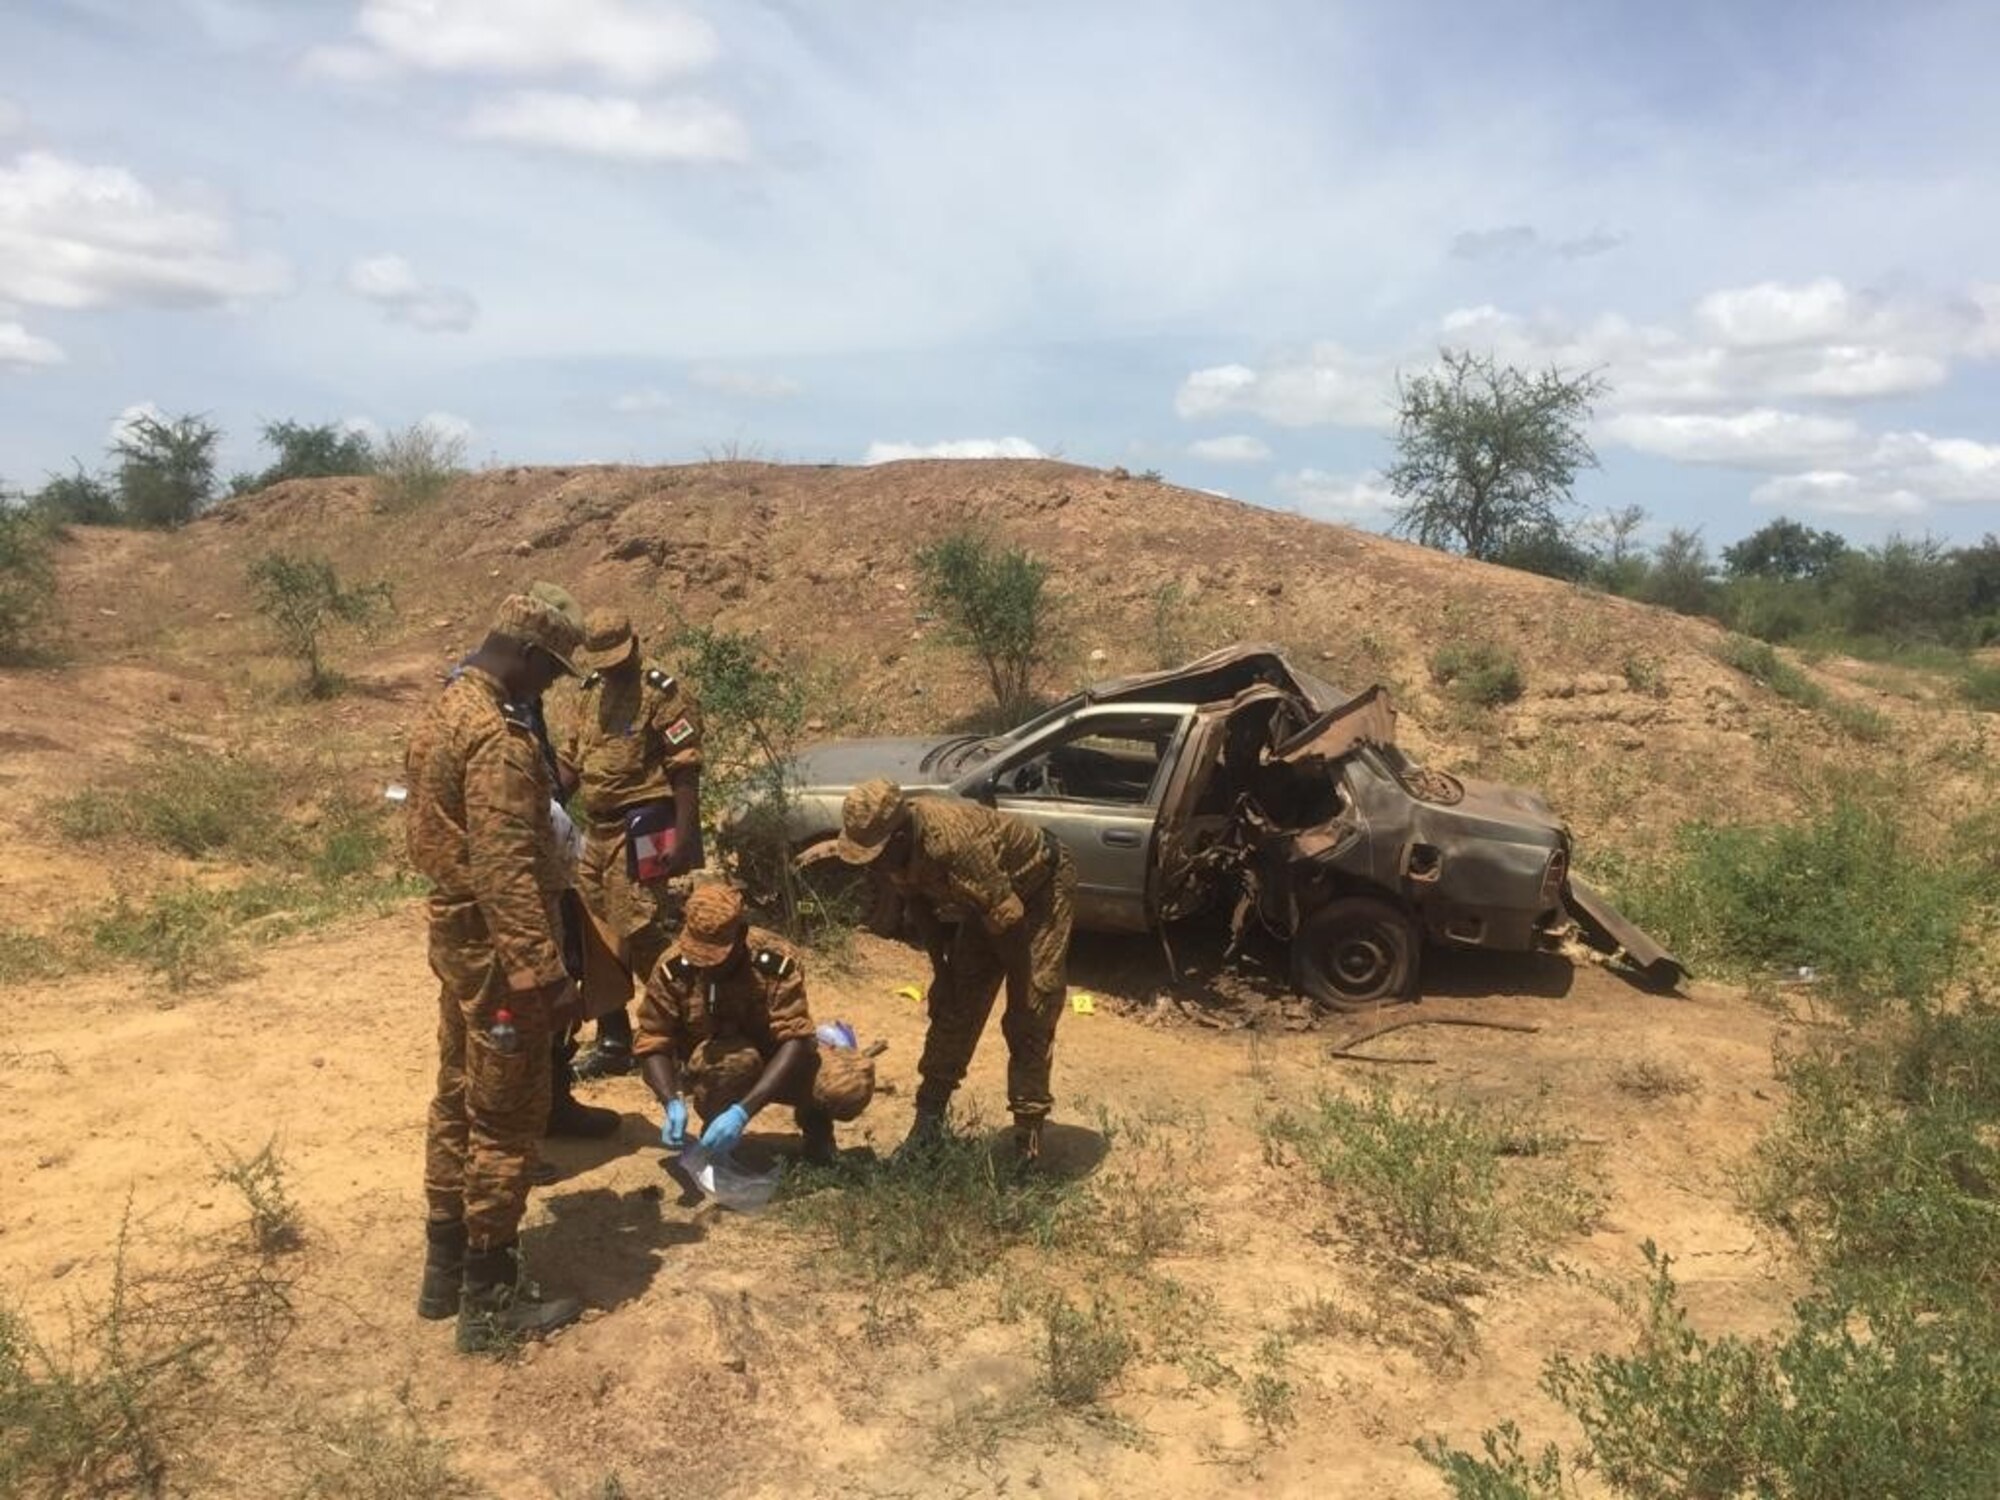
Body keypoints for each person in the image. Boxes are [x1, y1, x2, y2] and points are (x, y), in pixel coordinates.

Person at [405, 591, 588, 1353]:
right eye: (550, 675)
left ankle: (443, 1271)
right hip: (499, 953)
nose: (546, 689)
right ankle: (491, 1300)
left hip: (458, 938)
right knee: (508, 1116)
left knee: (455, 1094)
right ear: (533, 657)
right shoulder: (501, 740)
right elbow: (508, 867)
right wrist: (543, 976)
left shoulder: (443, 712)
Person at [831, 779, 1076, 1165]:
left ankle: (1026, 1144)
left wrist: (1016, 997)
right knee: (953, 1008)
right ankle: (927, 1129)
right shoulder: (897, 848)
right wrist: (941, 975)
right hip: (987, 902)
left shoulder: (955, 845)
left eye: (876, 853)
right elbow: (919, 906)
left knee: (1032, 1011)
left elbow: (1011, 925)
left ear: (897, 836)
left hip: (1039, 889)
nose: (874, 863)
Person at [558, 609, 704, 1081]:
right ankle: (614, 1037)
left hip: (644, 826)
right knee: (595, 934)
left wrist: (684, 839)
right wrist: (542, 796)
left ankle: (685, 1034)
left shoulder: (663, 691)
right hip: (594, 831)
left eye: (616, 659)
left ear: (635, 644)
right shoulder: (590, 693)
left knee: (641, 927)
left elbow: (685, 769)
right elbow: (571, 763)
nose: (609, 668)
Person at [635, 883, 874, 1166]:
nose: (706, 965)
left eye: (715, 956)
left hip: (779, 1061)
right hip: (714, 1067)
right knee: (731, 1061)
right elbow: (652, 1039)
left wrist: (743, 1112)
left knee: (846, 1084)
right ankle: (715, 1130)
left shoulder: (777, 960)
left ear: (741, 935)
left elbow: (794, 1039)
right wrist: (670, 1100)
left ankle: (817, 1128)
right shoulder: (673, 967)